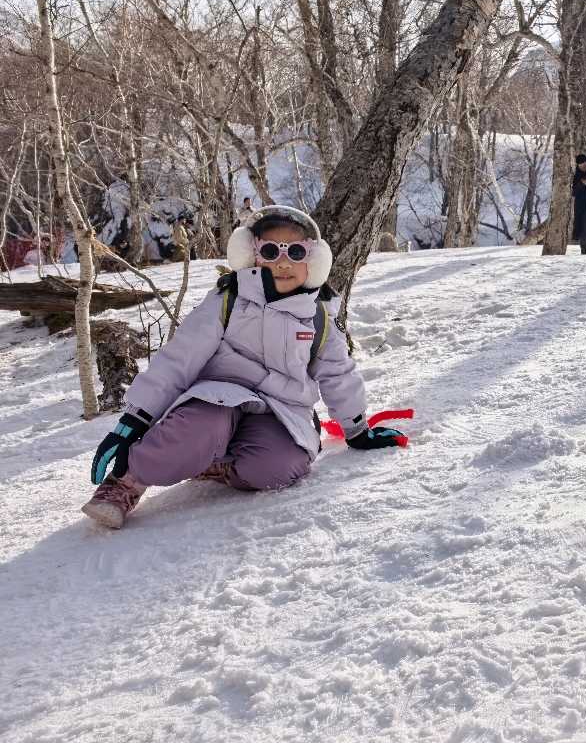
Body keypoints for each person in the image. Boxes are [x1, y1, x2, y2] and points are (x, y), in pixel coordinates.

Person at [81, 205, 403, 529]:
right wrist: (134, 420)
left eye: (295, 252)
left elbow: (338, 373)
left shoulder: (318, 318)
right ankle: (126, 482)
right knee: (199, 429)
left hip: (279, 410)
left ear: (314, 260)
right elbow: (179, 359)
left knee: (279, 466)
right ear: (251, 255)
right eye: (270, 251)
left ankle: (217, 465)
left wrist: (357, 430)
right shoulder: (228, 300)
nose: (283, 262)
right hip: (216, 397)